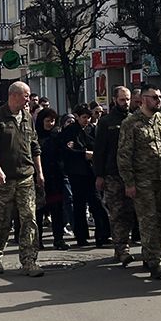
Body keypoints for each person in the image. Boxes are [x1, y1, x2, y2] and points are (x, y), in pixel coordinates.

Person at [0, 81, 45, 277]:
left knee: (29, 219)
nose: (28, 99)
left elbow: (35, 147)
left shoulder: (27, 117)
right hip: (2, 180)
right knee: (1, 221)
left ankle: (29, 260)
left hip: (25, 177)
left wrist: (39, 172)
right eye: (26, 95)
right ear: (14, 95)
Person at [117, 84, 161, 279]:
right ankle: (155, 261)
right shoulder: (131, 123)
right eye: (153, 97)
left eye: (159, 97)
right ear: (142, 100)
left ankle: (149, 254)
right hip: (143, 181)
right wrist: (129, 182)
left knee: (160, 220)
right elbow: (124, 155)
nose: (158, 100)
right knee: (148, 221)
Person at [94, 86, 136, 266]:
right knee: (117, 212)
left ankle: (125, 245)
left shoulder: (134, 119)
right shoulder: (106, 122)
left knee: (131, 212)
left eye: (127, 99)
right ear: (114, 100)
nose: (125, 103)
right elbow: (99, 150)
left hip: (133, 174)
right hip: (113, 174)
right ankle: (121, 249)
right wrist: (99, 175)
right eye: (122, 100)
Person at [61, 104, 109, 248]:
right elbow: (67, 151)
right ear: (77, 117)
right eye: (84, 117)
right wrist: (83, 154)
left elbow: (98, 147)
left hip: (91, 172)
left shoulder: (92, 130)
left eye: (88, 117)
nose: (86, 120)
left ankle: (103, 234)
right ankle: (81, 236)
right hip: (76, 173)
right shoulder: (70, 131)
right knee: (79, 205)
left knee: (96, 203)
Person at [35, 108, 69, 251]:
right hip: (39, 178)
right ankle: (38, 240)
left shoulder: (57, 136)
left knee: (57, 210)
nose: (50, 123)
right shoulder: (35, 137)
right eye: (47, 121)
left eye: (52, 121)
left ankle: (58, 238)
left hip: (56, 178)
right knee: (39, 211)